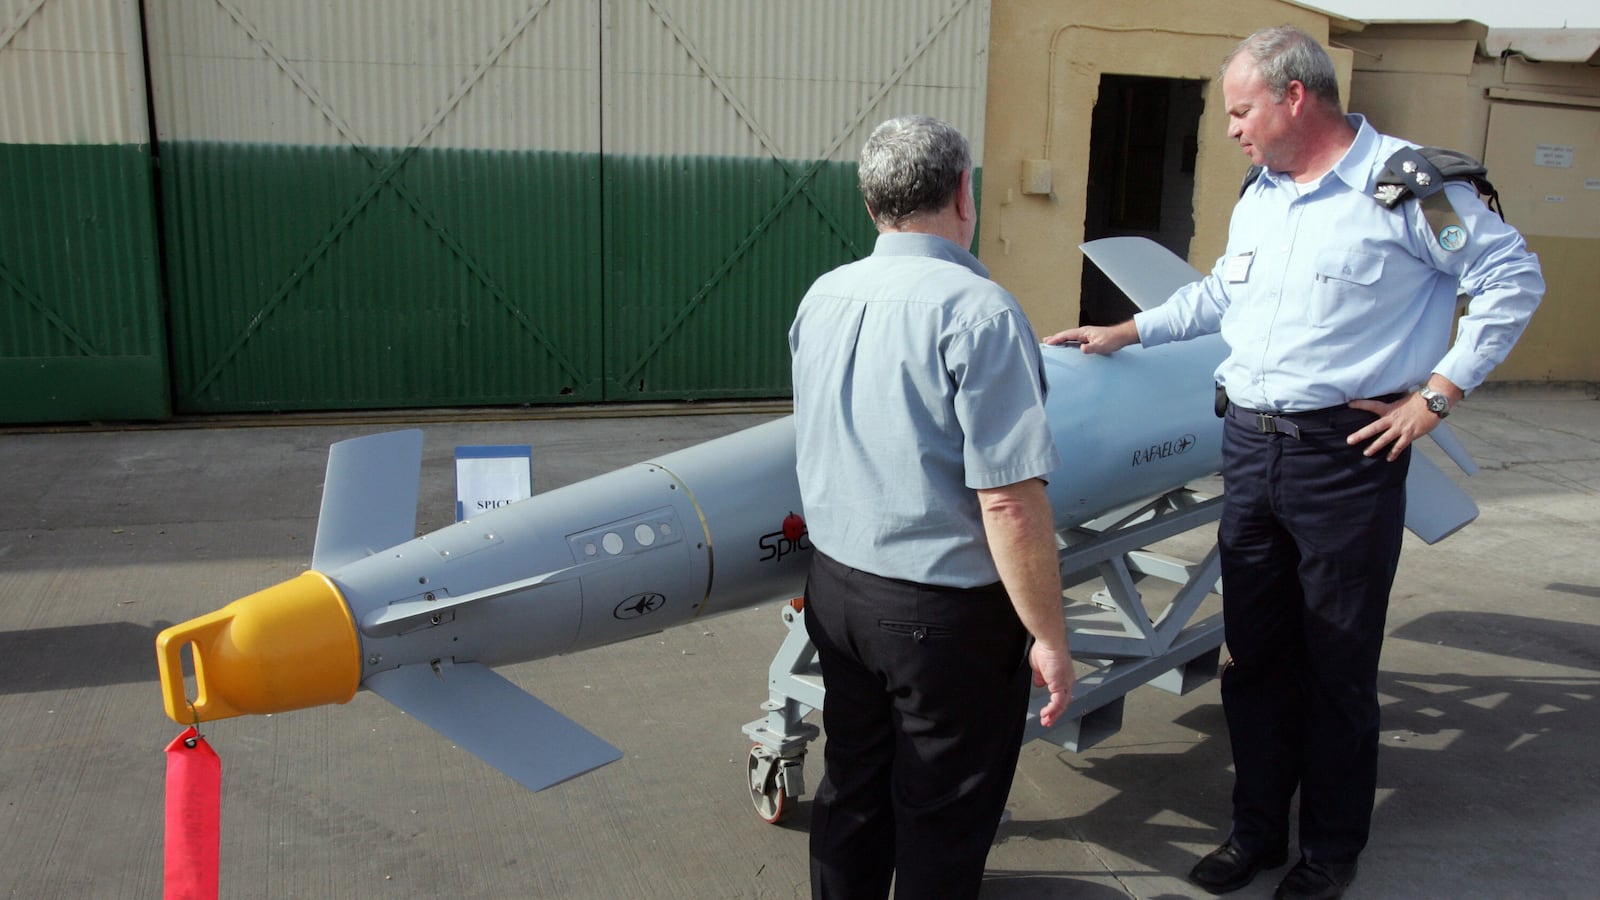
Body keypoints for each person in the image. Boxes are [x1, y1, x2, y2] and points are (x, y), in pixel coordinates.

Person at [1047, 25, 1542, 900]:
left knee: (1336, 667)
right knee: (1255, 659)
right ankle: (1256, 832)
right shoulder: (1261, 195)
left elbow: (1511, 278)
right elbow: (1219, 293)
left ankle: (1330, 850)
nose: (1231, 127)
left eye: (1241, 109)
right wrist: (1126, 331)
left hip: (1343, 459)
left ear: (1294, 97)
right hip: (1250, 448)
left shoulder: (1407, 191)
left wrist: (1438, 394)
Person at [789, 114, 1075, 900]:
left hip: (839, 591)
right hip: (941, 616)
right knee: (941, 818)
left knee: (852, 790)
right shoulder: (979, 312)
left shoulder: (825, 295)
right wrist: (1048, 635)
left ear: (871, 201)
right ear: (963, 192)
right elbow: (1010, 502)